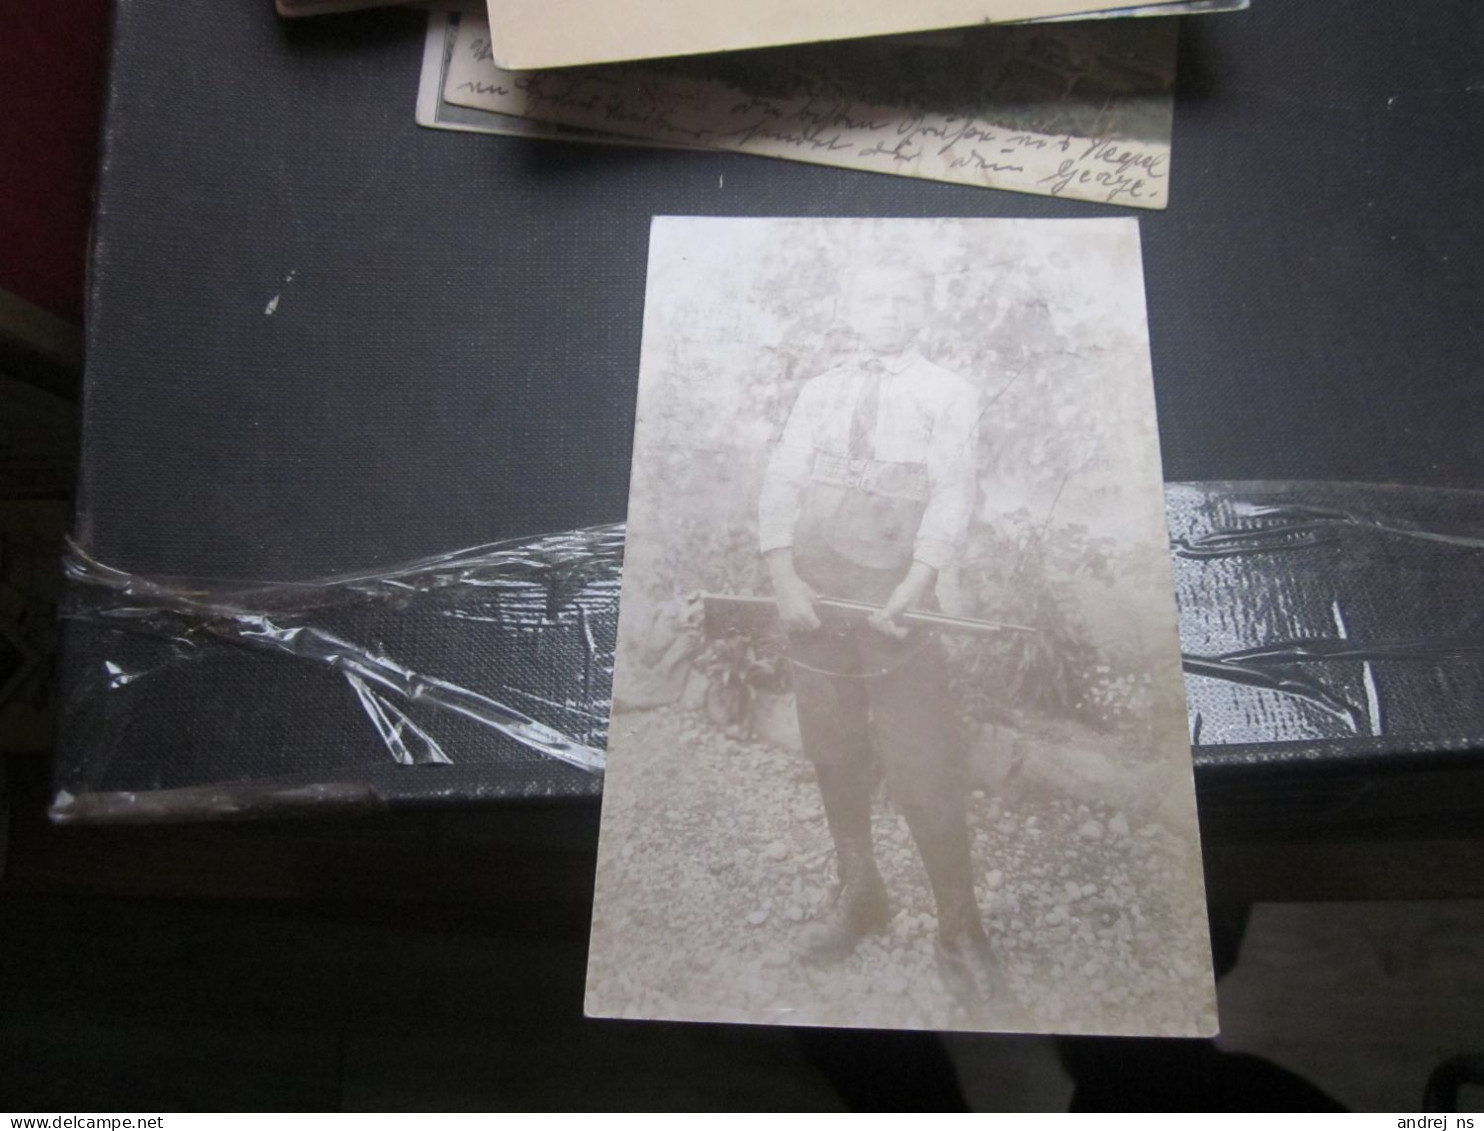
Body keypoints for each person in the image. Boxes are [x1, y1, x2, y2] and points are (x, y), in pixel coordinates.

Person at [757, 257, 1001, 1013]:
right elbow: (784, 478)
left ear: (920, 309)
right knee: (831, 743)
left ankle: (960, 930)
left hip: (896, 597)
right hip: (815, 592)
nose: (887, 307)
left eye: (902, 293)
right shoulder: (820, 390)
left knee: (921, 757)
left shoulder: (948, 393)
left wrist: (915, 584)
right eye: (874, 294)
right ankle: (861, 892)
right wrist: (782, 576)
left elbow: (956, 489)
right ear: (852, 308)